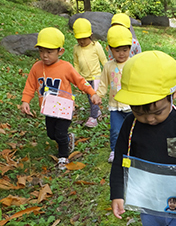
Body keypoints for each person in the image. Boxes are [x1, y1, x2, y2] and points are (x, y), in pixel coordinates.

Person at [110, 51, 176, 225]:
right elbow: (119, 160)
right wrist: (117, 194)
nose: (150, 118)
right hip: (147, 199)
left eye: (158, 112)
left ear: (173, 94)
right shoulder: (130, 125)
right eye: (139, 112)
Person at [21, 27, 101, 170]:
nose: (45, 55)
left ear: (60, 51)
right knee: (51, 134)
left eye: (49, 52)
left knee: (60, 132)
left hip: (64, 108)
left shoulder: (66, 67)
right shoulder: (36, 67)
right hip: (48, 108)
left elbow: (80, 81)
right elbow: (30, 85)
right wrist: (25, 101)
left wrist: (92, 92)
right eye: (41, 51)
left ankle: (63, 157)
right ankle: (68, 139)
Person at [96, 26, 132, 163]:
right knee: (116, 130)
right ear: (110, 49)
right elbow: (104, 83)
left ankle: (132, 150)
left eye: (125, 50)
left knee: (133, 130)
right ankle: (114, 150)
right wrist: (98, 95)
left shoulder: (133, 63)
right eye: (117, 50)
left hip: (132, 105)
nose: (121, 54)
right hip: (115, 106)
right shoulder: (108, 66)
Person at [72, 18, 107, 127]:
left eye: (84, 38)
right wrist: (76, 77)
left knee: (94, 97)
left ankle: (93, 117)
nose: (82, 41)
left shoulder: (96, 46)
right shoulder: (76, 49)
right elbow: (76, 64)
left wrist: (108, 73)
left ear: (90, 35)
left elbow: (104, 60)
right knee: (89, 97)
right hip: (85, 79)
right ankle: (97, 111)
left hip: (96, 77)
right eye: (79, 39)